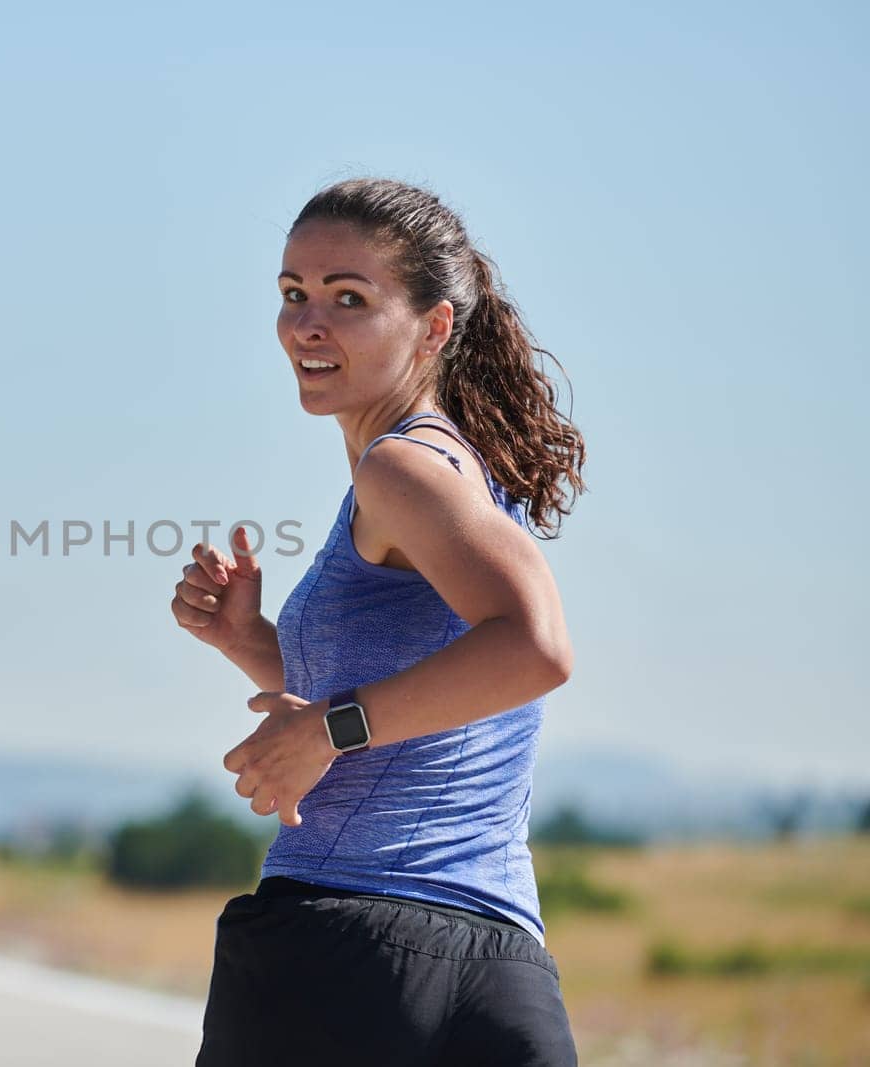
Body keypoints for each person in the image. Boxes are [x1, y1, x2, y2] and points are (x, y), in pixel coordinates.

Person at [170, 176, 587, 1066]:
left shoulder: (401, 469)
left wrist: (328, 727)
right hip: (494, 969)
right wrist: (255, 646)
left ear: (434, 327)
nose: (307, 324)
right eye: (294, 295)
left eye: (348, 299)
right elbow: (440, 687)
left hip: (343, 949)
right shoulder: (440, 473)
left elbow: (537, 647)